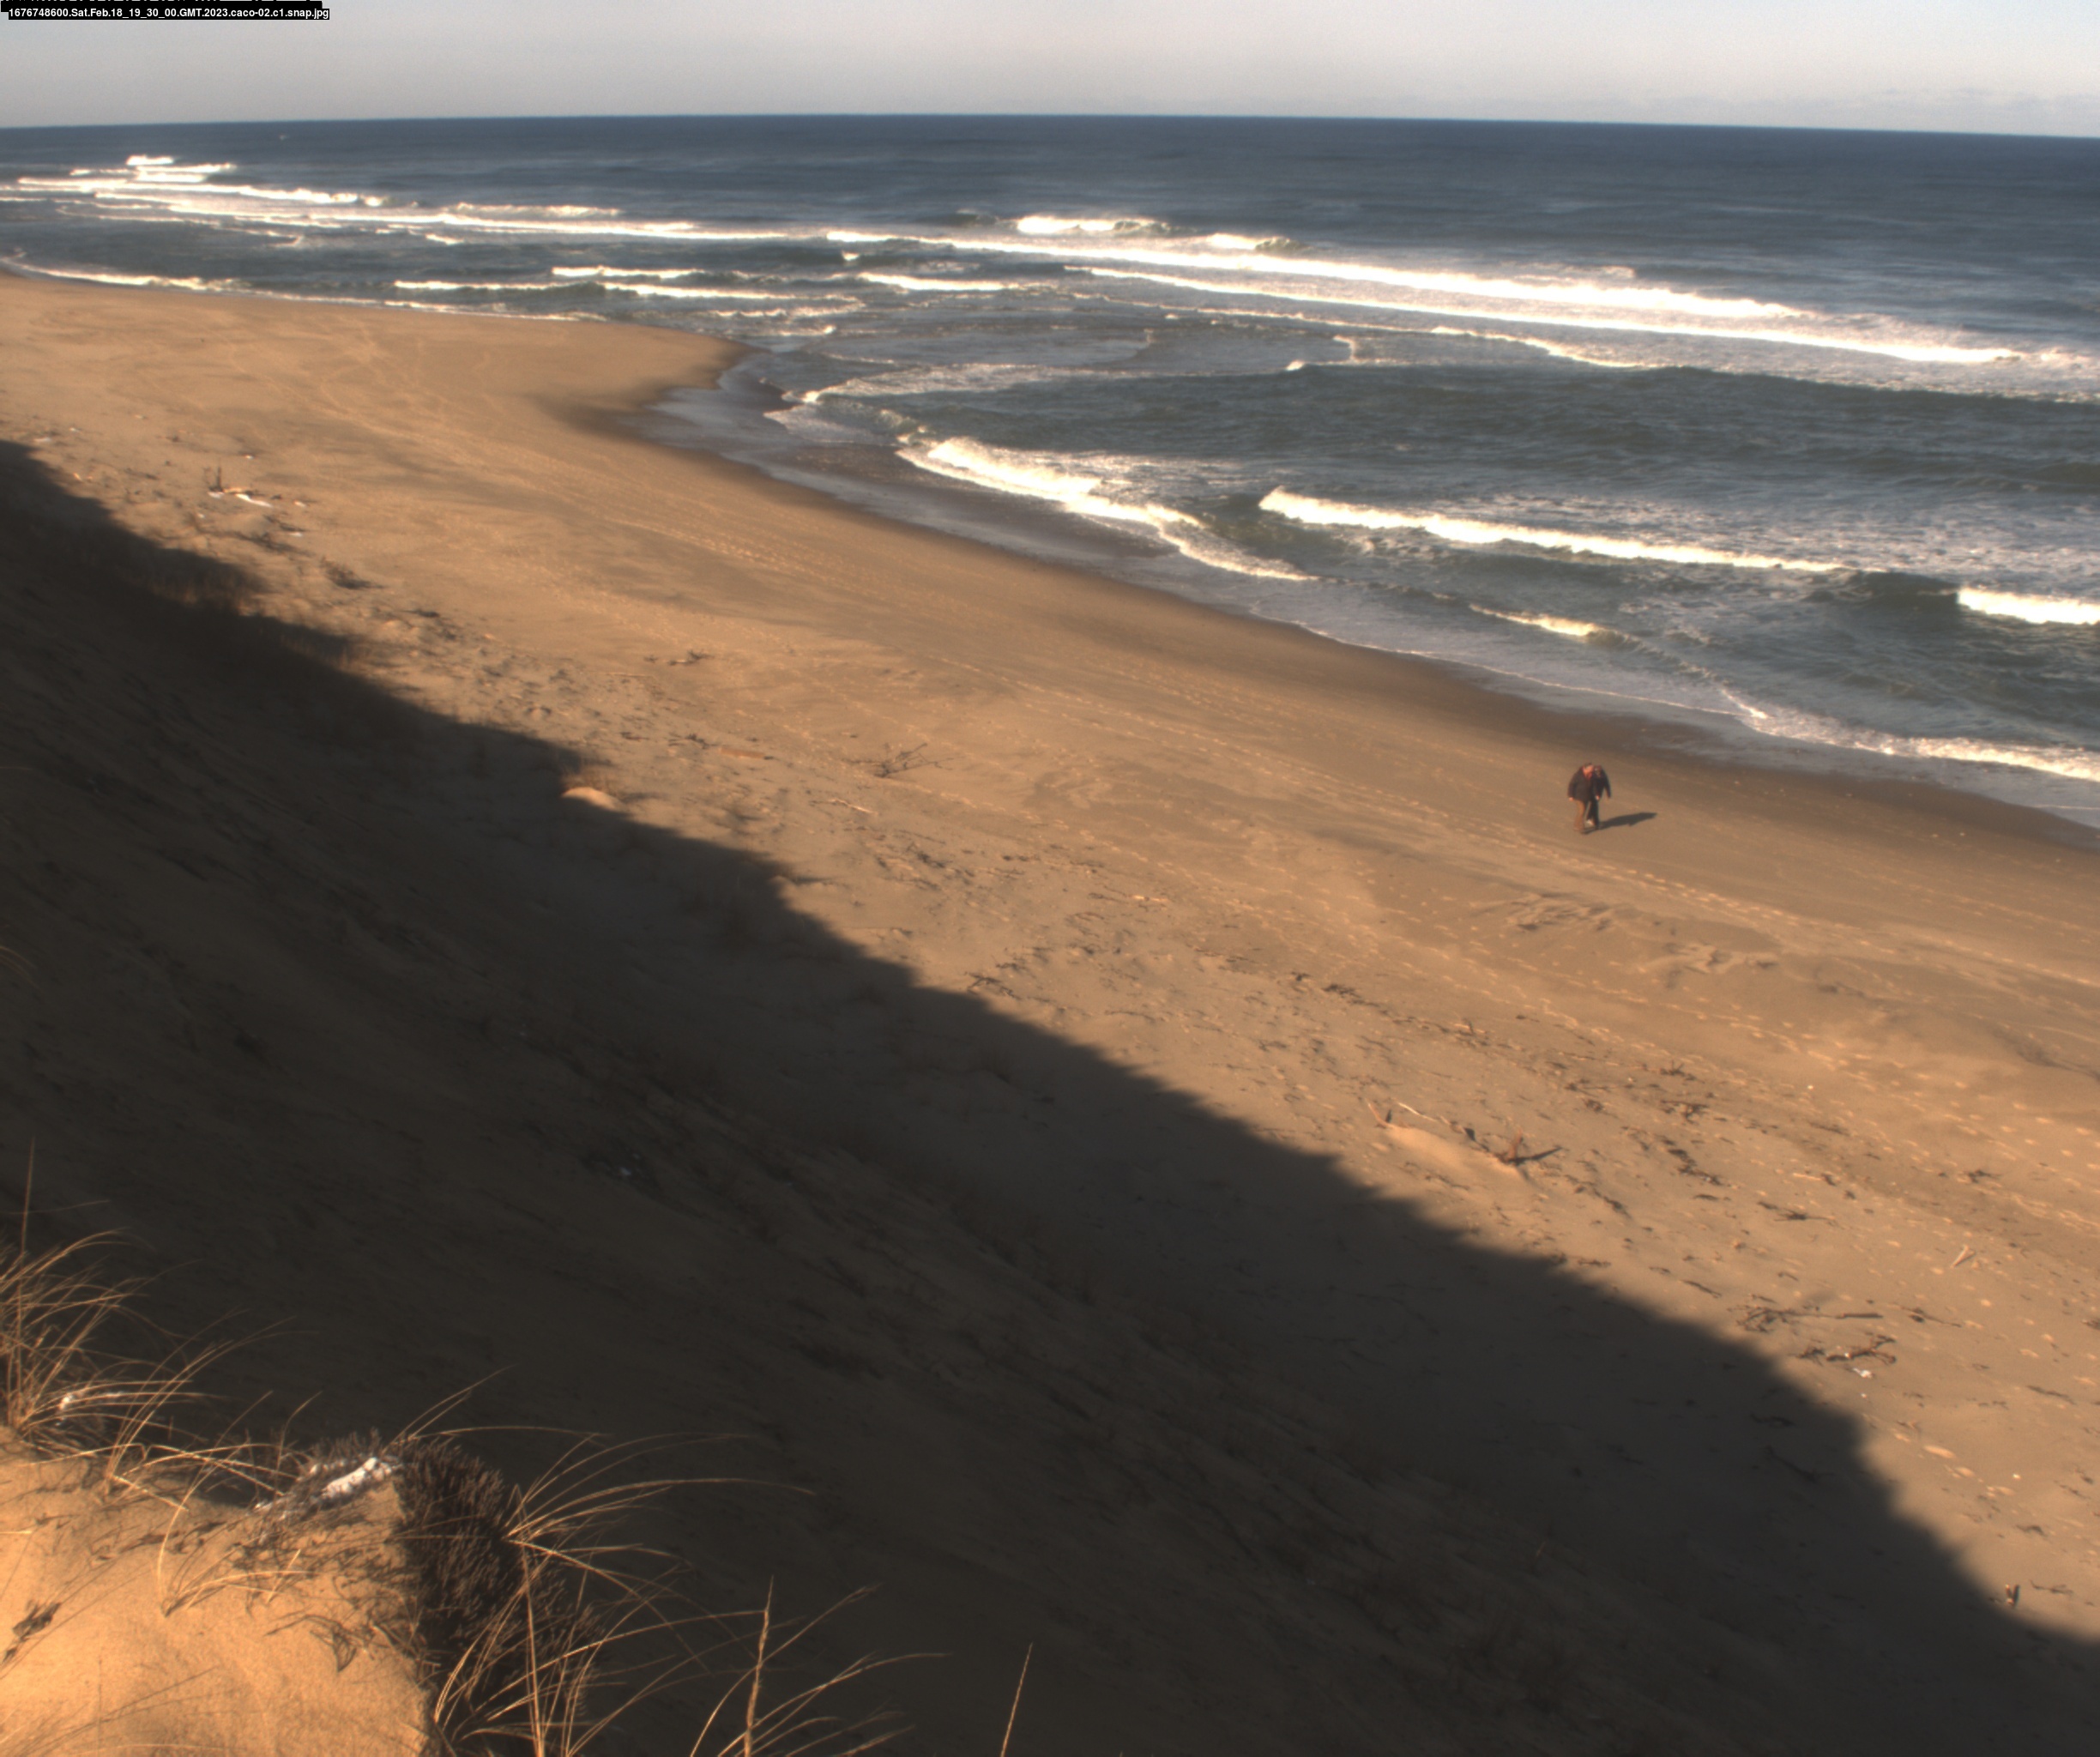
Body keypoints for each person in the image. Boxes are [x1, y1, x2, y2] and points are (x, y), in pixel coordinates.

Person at [1567, 761, 1611, 833]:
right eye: (1591, 769)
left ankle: (1577, 825)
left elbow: (1594, 786)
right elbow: (1572, 784)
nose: (1593, 770)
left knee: (1583, 811)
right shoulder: (1578, 775)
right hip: (1578, 796)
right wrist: (1570, 795)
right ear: (1585, 769)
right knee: (1582, 810)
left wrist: (1596, 794)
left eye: (1593, 769)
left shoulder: (1592, 776)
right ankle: (1580, 826)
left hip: (1587, 797)